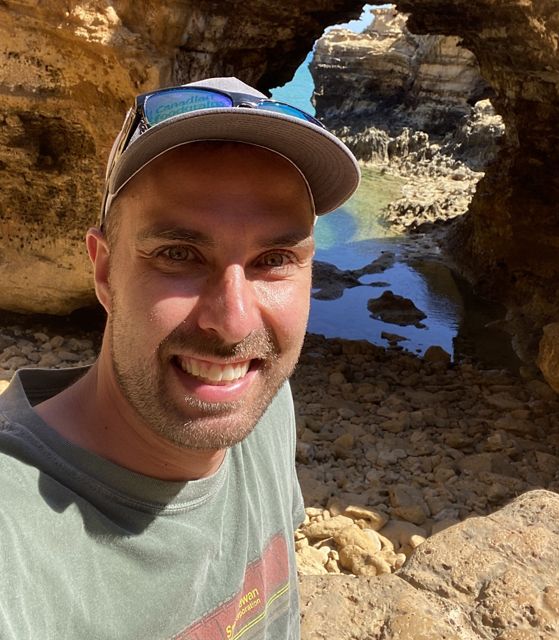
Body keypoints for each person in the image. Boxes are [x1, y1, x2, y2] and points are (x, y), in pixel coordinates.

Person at [0, 77, 360, 639]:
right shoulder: (15, 542)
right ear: (104, 271)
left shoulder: (263, 407)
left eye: (274, 259)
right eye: (178, 254)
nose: (234, 322)